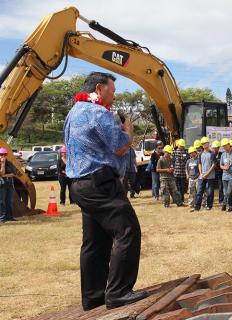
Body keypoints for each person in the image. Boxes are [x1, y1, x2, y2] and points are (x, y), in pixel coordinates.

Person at [65, 72, 147, 310]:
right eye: (112, 90)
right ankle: (119, 292)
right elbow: (121, 147)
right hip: (100, 183)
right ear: (99, 89)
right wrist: (128, 130)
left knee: (95, 241)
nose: (114, 95)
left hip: (80, 184)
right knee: (127, 230)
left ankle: (93, 297)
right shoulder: (98, 112)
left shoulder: (74, 112)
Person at [194, 137, 216, 211]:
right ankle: (197, 207)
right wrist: (201, 173)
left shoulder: (212, 154)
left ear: (208, 144)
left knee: (210, 192)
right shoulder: (200, 154)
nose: (203, 145)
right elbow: (199, 164)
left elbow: (213, 165)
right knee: (199, 191)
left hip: (210, 176)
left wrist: (207, 173)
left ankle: (209, 206)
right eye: (202, 144)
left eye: (204, 143)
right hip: (202, 176)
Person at [0, 147, 16, 223]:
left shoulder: (10, 163)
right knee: (1, 201)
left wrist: (5, 176)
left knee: (9, 201)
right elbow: (1, 173)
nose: (3, 156)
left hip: (9, 185)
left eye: (4, 154)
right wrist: (2, 164)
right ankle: (2, 218)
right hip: (1, 186)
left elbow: (14, 174)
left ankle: (9, 217)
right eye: (1, 154)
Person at [172, 139, 188, 203]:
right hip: (177, 173)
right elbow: (172, 161)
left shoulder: (186, 152)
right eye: (181, 146)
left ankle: (182, 199)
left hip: (183, 173)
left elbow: (187, 161)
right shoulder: (174, 152)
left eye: (182, 146)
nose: (181, 147)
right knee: (177, 187)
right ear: (178, 145)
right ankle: (178, 200)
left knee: (182, 187)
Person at [185, 147, 200, 212]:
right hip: (191, 178)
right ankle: (191, 204)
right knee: (191, 192)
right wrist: (187, 175)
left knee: (199, 192)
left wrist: (200, 175)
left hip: (197, 178)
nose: (191, 154)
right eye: (190, 153)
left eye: (192, 152)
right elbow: (186, 168)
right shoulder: (188, 161)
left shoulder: (198, 160)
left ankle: (201, 204)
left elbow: (200, 168)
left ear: (195, 152)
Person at [211, 140, 223, 204]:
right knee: (211, 187)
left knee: (221, 187)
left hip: (220, 174)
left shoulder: (222, 154)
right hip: (212, 174)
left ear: (218, 148)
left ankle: (221, 200)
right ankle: (211, 200)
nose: (214, 149)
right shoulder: (211, 155)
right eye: (213, 148)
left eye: (216, 148)